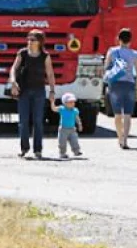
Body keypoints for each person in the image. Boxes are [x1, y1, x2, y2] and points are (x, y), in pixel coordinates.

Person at [9, 30, 56, 159]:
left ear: (40, 42)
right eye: (28, 39)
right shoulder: (22, 53)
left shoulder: (45, 56)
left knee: (38, 121)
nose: (29, 42)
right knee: (23, 121)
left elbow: (50, 74)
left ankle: (38, 149)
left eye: (33, 40)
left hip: (39, 91)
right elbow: (13, 68)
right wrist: (13, 82)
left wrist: (52, 90)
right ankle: (24, 148)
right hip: (23, 91)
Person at [105, 29, 137, 150]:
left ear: (118, 39)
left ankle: (119, 137)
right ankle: (125, 140)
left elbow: (106, 67)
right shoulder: (135, 54)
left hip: (115, 85)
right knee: (127, 115)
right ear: (130, 40)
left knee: (117, 114)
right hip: (129, 84)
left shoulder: (112, 51)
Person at [51, 93, 82, 159]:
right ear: (65, 103)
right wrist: (52, 102)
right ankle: (62, 153)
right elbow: (54, 109)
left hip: (72, 129)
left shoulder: (75, 110)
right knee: (62, 142)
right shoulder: (62, 109)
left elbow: (77, 118)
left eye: (73, 102)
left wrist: (79, 124)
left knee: (74, 140)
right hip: (63, 129)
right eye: (70, 102)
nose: (72, 103)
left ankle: (76, 151)